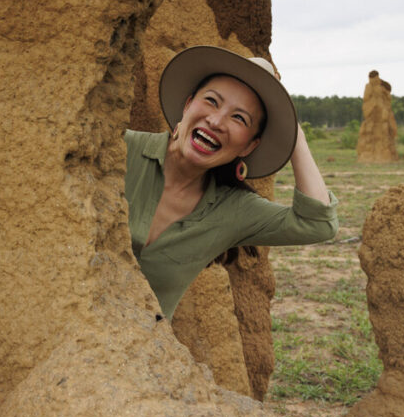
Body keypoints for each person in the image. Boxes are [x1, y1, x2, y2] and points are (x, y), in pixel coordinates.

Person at [125, 45, 338, 321]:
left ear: (249, 145)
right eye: (211, 101)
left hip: (136, 356)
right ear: (188, 104)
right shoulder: (119, 148)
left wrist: (293, 131)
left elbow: (318, 223)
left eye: (239, 118)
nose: (215, 121)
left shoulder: (232, 209)